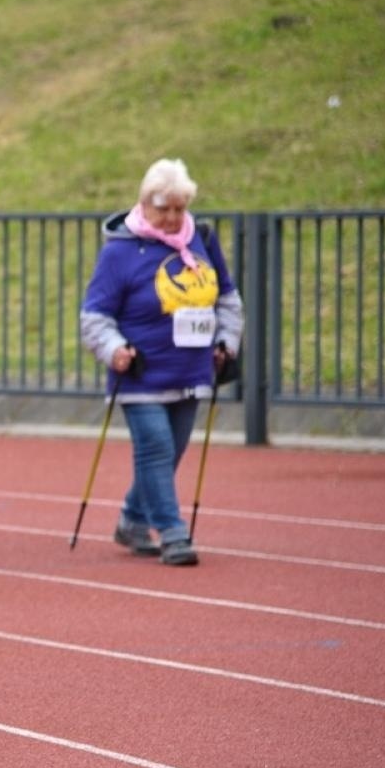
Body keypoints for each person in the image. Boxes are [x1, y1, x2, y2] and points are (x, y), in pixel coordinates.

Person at [80, 157, 242, 566]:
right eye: (163, 208)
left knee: (171, 453)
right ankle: (173, 533)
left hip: (191, 370)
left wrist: (227, 340)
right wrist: (114, 348)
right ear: (144, 205)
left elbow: (226, 297)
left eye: (179, 208)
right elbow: (95, 315)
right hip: (141, 374)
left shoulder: (201, 239)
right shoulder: (119, 252)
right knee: (155, 448)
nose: (172, 218)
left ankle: (132, 520)